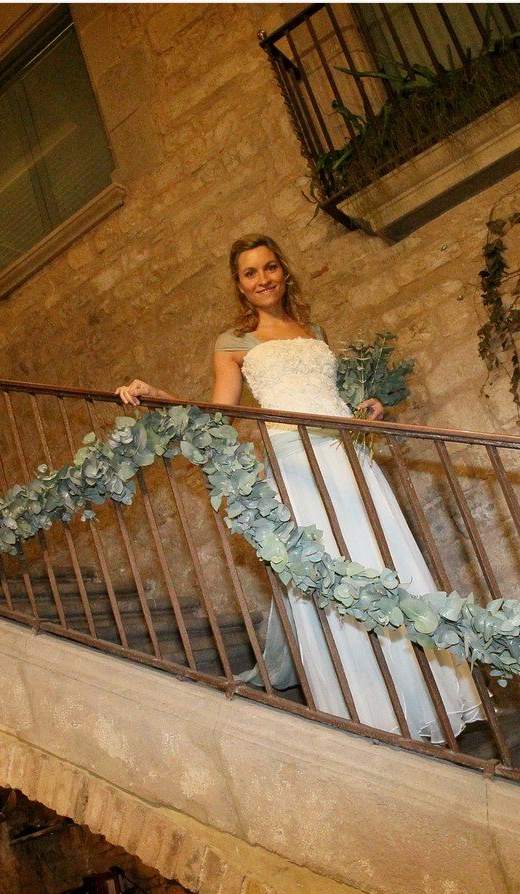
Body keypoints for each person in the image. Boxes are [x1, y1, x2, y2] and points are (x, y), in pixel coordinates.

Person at [117, 235, 483, 742]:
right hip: (295, 466)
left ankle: (430, 699)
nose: (262, 278)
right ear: (239, 286)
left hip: (348, 457)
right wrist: (160, 397)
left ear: (284, 273)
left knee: (382, 563)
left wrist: (367, 407)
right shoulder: (232, 343)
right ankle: (371, 715)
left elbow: (331, 395)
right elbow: (220, 415)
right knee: (329, 577)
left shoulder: (314, 331)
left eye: (269, 268)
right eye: (250, 273)